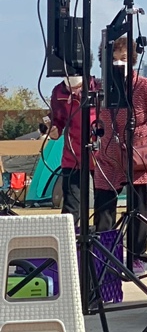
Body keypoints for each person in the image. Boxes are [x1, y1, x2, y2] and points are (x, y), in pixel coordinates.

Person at [93, 35, 147, 273]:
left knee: (139, 211)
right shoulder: (100, 89)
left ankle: (137, 258)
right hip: (109, 156)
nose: (119, 62)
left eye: (124, 58)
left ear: (133, 59)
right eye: (114, 57)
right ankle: (104, 257)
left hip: (139, 157)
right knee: (104, 209)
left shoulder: (146, 87)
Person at [47, 69, 99, 221]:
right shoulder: (58, 91)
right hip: (72, 156)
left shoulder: (99, 87)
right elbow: (57, 119)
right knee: (71, 206)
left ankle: (103, 236)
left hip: (99, 155)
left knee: (103, 205)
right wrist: (54, 129)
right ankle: (70, 236)